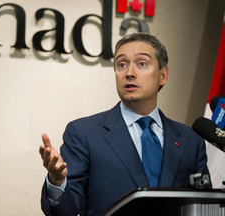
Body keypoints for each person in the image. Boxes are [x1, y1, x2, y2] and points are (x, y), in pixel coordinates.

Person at [39, 33, 210, 216]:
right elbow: (67, 212)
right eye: (122, 65)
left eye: (141, 63)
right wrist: (57, 182)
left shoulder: (190, 140)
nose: (129, 73)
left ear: (163, 75)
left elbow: (205, 206)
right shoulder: (83, 133)